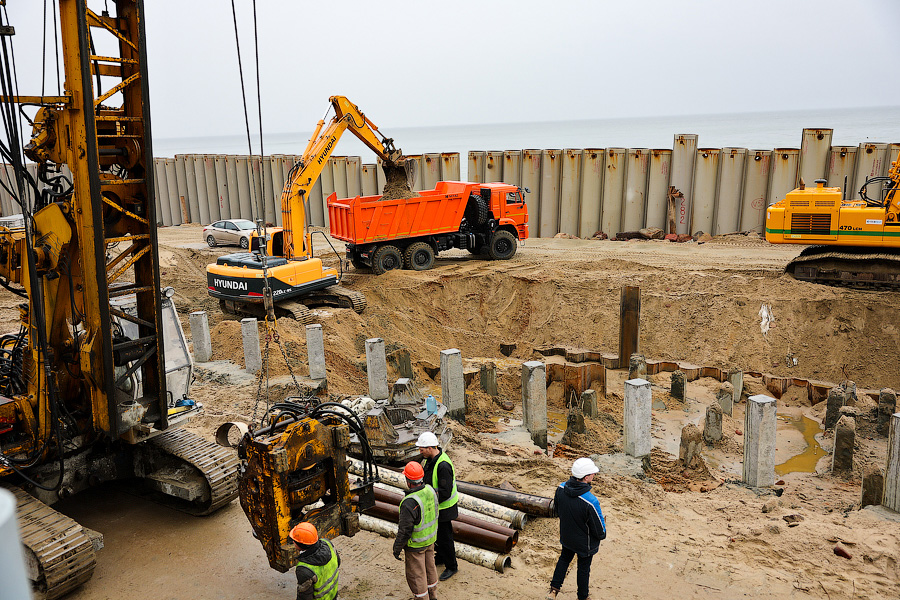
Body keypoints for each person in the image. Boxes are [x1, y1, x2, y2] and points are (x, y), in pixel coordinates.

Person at [547, 457, 606, 600]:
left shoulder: (561, 488)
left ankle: (554, 590)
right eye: (593, 473)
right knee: (583, 568)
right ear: (586, 477)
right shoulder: (590, 501)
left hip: (567, 535)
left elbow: (558, 509)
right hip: (584, 543)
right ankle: (582, 597)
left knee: (564, 559)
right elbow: (600, 531)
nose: (594, 475)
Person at [393, 461, 439, 600]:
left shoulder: (409, 502)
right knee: (430, 569)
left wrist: (397, 548)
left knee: (417, 575)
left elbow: (405, 530)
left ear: (408, 481)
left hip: (416, 545)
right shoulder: (431, 490)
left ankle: (422, 598)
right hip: (430, 539)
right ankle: (433, 596)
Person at [417, 431, 459, 581]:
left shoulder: (442, 465)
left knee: (445, 538)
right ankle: (441, 557)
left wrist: (428, 497)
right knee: (438, 537)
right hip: (436, 506)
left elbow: (445, 492)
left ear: (429, 448)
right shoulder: (431, 459)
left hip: (444, 508)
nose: (420, 451)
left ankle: (452, 566)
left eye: (421, 449)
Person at [290, 522, 340, 600]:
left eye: (295, 541)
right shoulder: (328, 543)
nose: (293, 542)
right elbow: (338, 562)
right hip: (333, 594)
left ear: (301, 545)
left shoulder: (304, 569)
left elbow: (304, 597)